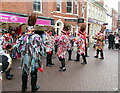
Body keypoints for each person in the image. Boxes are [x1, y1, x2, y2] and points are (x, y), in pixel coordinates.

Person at [15, 13, 44, 92]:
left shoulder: (22, 37)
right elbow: (41, 49)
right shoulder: (37, 37)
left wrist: (20, 53)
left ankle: (23, 87)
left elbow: (17, 47)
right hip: (34, 58)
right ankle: (33, 88)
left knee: (24, 72)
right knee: (33, 73)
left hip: (25, 58)